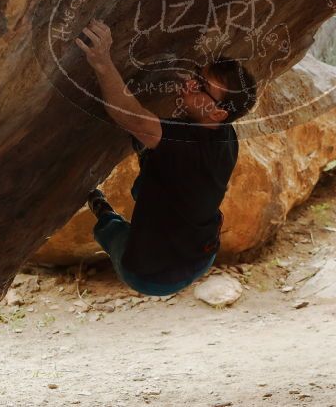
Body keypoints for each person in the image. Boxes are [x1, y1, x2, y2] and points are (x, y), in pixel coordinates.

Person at [75, 18, 257, 296]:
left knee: (111, 231)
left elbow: (131, 117)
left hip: (152, 276)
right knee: (152, 173)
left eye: (200, 86)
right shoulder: (225, 134)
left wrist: (101, 61)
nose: (189, 83)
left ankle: (99, 205)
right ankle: (144, 181)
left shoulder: (185, 146)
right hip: (201, 252)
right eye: (197, 75)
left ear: (218, 112)